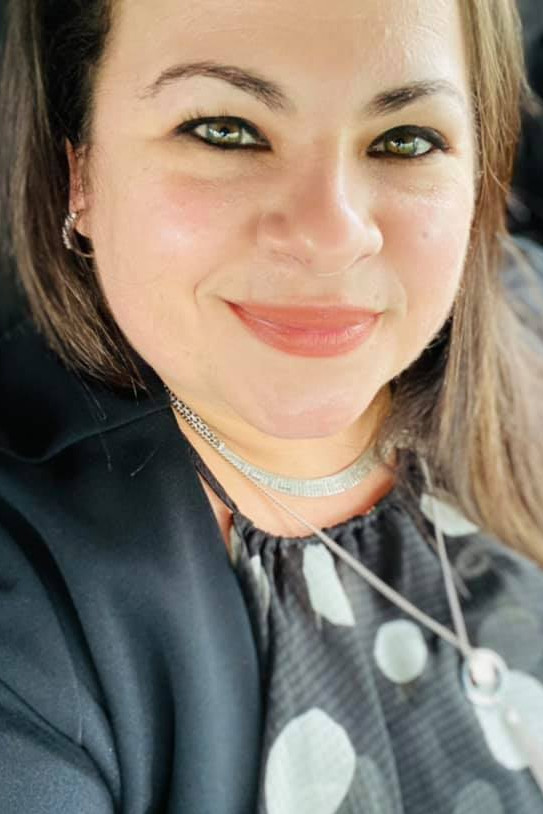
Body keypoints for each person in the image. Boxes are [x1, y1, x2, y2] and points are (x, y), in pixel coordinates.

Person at [1, 0, 543, 812]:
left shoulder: (529, 324)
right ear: (79, 170)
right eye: (224, 129)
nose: (331, 233)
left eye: (403, 140)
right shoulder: (30, 608)